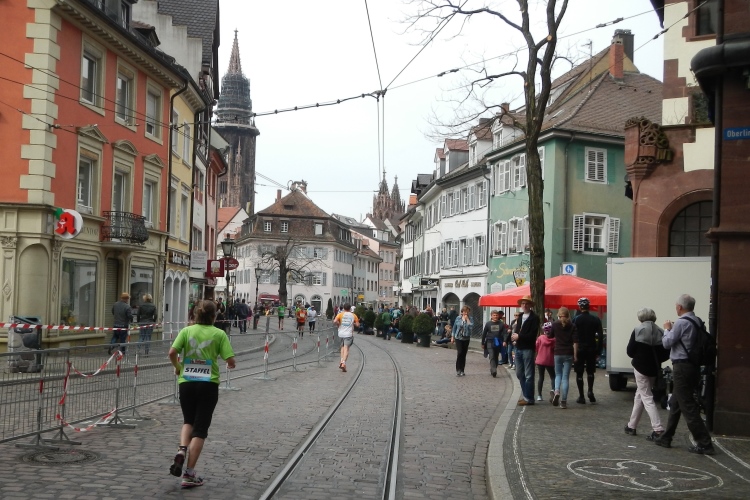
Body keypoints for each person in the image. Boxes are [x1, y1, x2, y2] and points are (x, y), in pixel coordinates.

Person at [168, 300, 236, 488]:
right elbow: (230, 359)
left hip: (187, 383)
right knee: (200, 429)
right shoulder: (219, 334)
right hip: (208, 385)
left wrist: (178, 367)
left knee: (188, 421)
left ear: (196, 315)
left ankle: (182, 450)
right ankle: (189, 474)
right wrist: (231, 363)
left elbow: (172, 352)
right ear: (214, 316)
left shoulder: (186, 331)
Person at [653, 294, 715, 455]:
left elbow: (667, 343)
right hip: (693, 366)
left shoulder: (681, 322)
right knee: (676, 403)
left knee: (687, 405)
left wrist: (667, 329)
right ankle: (666, 437)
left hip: (682, 367)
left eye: (676, 306)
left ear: (680, 307)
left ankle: (704, 442)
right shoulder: (697, 321)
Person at [626, 307, 670, 439]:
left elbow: (630, 351)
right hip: (654, 369)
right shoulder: (660, 331)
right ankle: (631, 426)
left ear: (640, 318)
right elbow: (666, 353)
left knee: (647, 397)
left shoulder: (637, 330)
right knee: (640, 395)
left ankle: (658, 428)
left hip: (640, 367)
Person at [573, 297, 603, 404]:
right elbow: (600, 336)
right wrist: (598, 350)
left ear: (580, 307)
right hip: (591, 348)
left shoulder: (575, 319)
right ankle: (590, 390)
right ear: (588, 306)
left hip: (579, 349)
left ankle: (581, 396)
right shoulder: (595, 319)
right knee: (590, 371)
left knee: (579, 373)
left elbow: (572, 335)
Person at [511, 295, 540, 406]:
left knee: (528, 375)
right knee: (519, 373)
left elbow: (532, 335)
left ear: (530, 305)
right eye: (523, 303)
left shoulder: (534, 318)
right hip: (518, 347)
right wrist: (514, 338)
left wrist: (519, 337)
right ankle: (526, 395)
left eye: (527, 303)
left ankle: (529, 398)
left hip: (528, 348)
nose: (524, 305)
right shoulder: (520, 316)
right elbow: (517, 330)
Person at [550, 308, 578, 409]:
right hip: (568, 353)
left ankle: (557, 391)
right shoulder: (572, 326)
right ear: (568, 315)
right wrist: (575, 355)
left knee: (558, 374)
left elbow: (550, 336)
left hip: (558, 352)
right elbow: (575, 342)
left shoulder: (555, 324)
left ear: (558, 315)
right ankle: (563, 401)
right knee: (565, 377)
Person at [333, 303, 359, 372]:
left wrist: (338, 324)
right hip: (348, 334)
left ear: (343, 308)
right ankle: (343, 363)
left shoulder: (340, 314)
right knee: (346, 349)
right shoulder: (353, 315)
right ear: (350, 308)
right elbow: (357, 325)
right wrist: (353, 323)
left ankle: (341, 361)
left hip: (341, 333)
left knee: (342, 347)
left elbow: (335, 321)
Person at [481, 310, 506, 378]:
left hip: (497, 342)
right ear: (491, 316)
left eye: (496, 315)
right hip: (489, 341)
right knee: (491, 355)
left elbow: (505, 333)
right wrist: (483, 343)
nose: (495, 316)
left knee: (496, 356)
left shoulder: (501, 324)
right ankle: (494, 370)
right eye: (494, 315)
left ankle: (493, 368)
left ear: (498, 316)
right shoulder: (488, 324)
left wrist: (505, 341)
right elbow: (484, 333)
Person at [535, 322, 555, 402]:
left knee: (541, 377)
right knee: (553, 376)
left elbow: (536, 347)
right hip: (550, 360)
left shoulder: (540, 338)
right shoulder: (554, 339)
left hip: (540, 359)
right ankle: (553, 390)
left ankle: (539, 395)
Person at [452, 306, 473, 376]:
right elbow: (454, 328)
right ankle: (458, 369)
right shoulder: (458, 318)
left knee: (464, 354)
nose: (465, 313)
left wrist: (467, 320)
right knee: (460, 352)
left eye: (467, 312)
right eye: (464, 312)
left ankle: (462, 370)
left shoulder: (470, 318)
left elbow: (471, 327)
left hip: (466, 338)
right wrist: (452, 337)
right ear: (462, 312)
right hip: (458, 337)